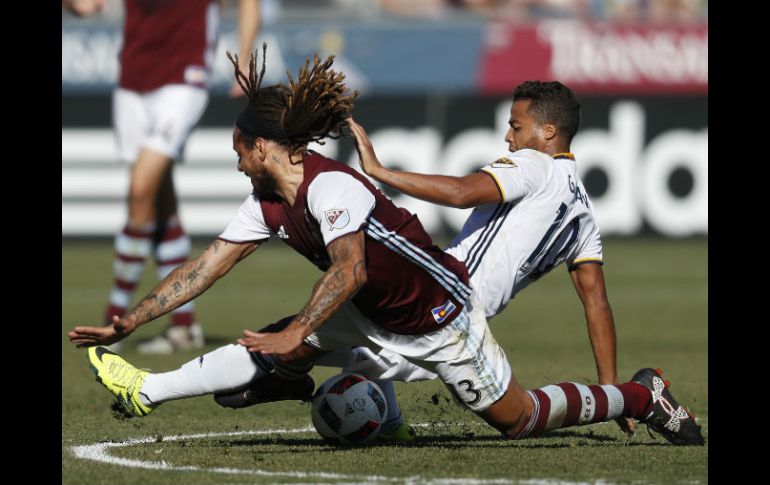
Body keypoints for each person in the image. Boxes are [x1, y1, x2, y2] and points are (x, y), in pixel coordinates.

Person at [68, 47, 704, 446]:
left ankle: (640, 396)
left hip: (443, 312)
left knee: (517, 420)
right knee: (278, 342)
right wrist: (130, 320)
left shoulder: (333, 187)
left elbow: (350, 267)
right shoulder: (267, 200)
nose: (236, 164)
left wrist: (381, 174)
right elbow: (206, 266)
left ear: (263, 147)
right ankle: (147, 389)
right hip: (375, 306)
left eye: (239, 151)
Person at [64, 0, 262, 354]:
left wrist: (244, 57)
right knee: (159, 202)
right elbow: (87, 6)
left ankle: (114, 321)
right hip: (133, 77)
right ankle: (184, 326)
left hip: (184, 76)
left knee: (140, 191)